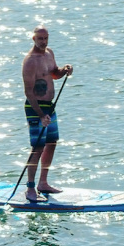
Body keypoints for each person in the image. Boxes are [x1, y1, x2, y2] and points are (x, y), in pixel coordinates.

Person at [21, 26, 73, 202]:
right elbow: (28, 92)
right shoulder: (29, 61)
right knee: (37, 147)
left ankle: (43, 183)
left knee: (51, 143)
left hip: (49, 105)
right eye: (40, 39)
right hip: (35, 107)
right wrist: (40, 115)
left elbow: (54, 74)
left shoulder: (49, 53)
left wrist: (64, 69)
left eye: (45, 38)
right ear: (33, 38)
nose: (43, 42)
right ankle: (30, 188)